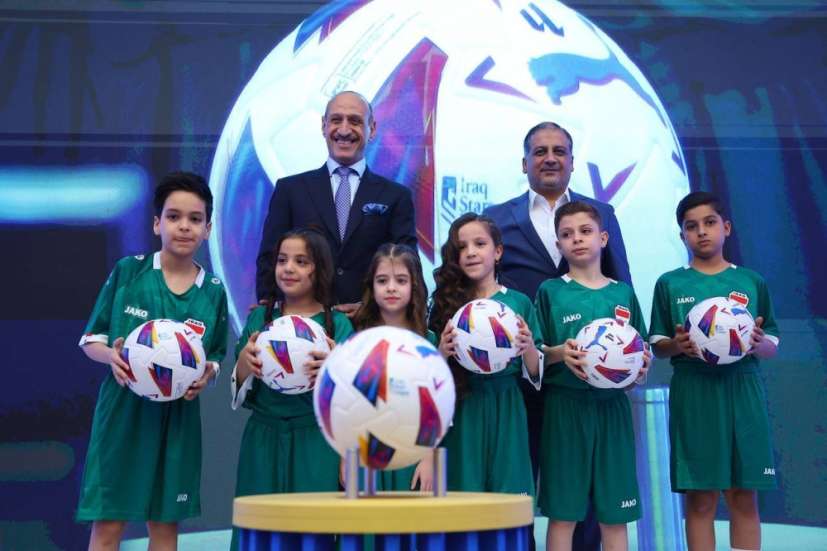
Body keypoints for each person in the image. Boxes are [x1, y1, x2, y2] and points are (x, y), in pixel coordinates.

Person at [484, 121, 631, 550]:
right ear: (524, 162)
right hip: (520, 373)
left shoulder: (601, 212)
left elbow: (620, 284)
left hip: (585, 379)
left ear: (571, 160)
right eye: (540, 151)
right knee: (520, 477)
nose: (550, 158)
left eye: (559, 151)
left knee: (586, 488)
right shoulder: (496, 218)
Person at [76, 172, 228, 551]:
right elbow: (91, 340)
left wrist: (206, 374)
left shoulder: (213, 291)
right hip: (122, 416)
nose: (184, 226)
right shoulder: (129, 271)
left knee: (164, 530)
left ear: (208, 229)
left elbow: (215, 357)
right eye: (174, 216)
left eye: (195, 219)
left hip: (177, 423)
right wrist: (112, 356)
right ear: (157, 223)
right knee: (108, 526)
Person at [649, 191, 779, 551]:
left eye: (709, 223)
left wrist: (756, 343)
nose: (701, 232)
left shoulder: (751, 281)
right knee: (701, 498)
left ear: (726, 228)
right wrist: (678, 345)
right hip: (695, 391)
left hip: (742, 388)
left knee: (743, 495)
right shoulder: (670, 283)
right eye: (691, 227)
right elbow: (658, 345)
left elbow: (771, 344)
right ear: (682, 236)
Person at [534, 201, 651, 551]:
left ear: (603, 238)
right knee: (563, 515)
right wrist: (559, 352)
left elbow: (640, 352)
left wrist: (639, 370)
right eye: (567, 234)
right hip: (565, 410)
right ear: (558, 244)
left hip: (612, 410)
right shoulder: (550, 291)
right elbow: (535, 354)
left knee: (615, 515)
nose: (577, 239)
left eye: (585, 231)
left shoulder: (622, 293)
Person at [231, 227, 353, 550]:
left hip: (316, 441)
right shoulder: (260, 318)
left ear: (319, 269)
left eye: (301, 261)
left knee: (311, 532)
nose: (288, 268)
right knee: (258, 530)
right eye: (282, 260)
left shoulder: (338, 325)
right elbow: (239, 384)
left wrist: (334, 369)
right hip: (263, 438)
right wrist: (244, 363)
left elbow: (352, 398)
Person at [256, 90, 418, 316]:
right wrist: (270, 315)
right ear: (323, 126)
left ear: (372, 129)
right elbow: (270, 258)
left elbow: (408, 265)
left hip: (370, 324)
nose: (344, 130)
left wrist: (369, 309)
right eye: (336, 120)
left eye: (355, 121)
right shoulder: (290, 190)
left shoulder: (396, 196)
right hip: (303, 324)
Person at [429, 213, 543, 497]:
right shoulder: (447, 304)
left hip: (508, 402)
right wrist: (442, 352)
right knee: (465, 492)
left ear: (498, 252)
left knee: (509, 492)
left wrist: (528, 346)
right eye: (462, 247)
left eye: (479, 244)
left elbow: (535, 371)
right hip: (464, 404)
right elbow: (431, 375)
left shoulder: (518, 302)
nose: (471, 252)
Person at [352, 243, 437, 492]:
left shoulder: (428, 340)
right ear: (371, 286)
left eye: (401, 280)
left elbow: (434, 406)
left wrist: (428, 457)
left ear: (414, 286)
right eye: (382, 281)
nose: (391, 287)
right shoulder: (357, 340)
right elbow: (348, 405)